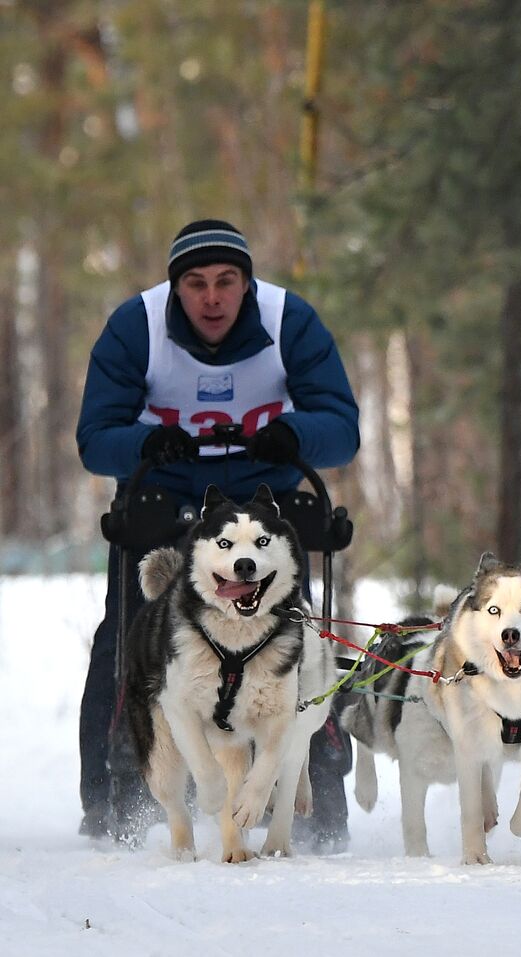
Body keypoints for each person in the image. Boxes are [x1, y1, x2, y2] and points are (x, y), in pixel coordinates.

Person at [75, 219, 360, 851]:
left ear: (247, 285)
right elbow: (95, 440)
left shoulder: (290, 322)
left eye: (226, 282)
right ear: (175, 288)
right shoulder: (136, 326)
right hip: (165, 498)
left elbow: (342, 429)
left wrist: (295, 435)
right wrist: (147, 441)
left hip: (264, 507)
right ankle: (112, 797)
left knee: (293, 643)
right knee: (131, 637)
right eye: (196, 284)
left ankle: (314, 791)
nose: (211, 298)